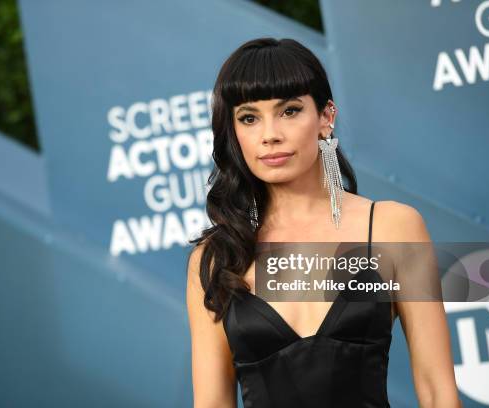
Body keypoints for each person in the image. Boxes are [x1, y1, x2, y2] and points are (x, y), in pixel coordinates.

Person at [186, 37, 461, 407]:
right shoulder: (216, 257)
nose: (270, 134)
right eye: (249, 118)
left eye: (289, 111)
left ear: (326, 117)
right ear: (233, 131)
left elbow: (437, 391)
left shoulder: (393, 227)